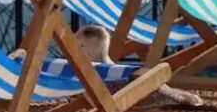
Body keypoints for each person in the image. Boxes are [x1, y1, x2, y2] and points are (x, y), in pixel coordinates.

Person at [75, 24, 204, 107]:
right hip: (156, 97)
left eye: (85, 34)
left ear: (98, 39)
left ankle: (183, 100)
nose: (78, 37)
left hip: (149, 101)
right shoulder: (109, 70)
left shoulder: (107, 74)